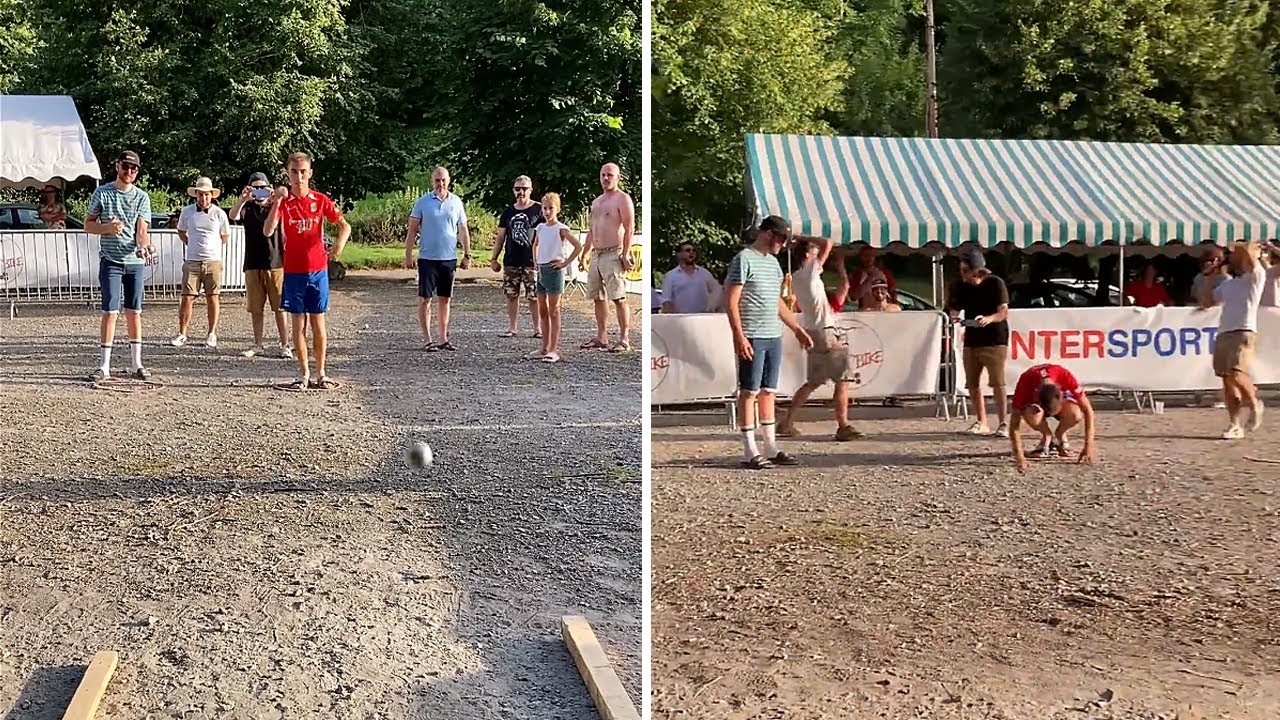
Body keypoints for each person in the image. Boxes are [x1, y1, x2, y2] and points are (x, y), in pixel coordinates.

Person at [725, 216, 814, 469]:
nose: (783, 245)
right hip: (752, 333)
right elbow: (731, 300)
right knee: (749, 391)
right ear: (767, 233)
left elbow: (777, 303)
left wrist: (797, 328)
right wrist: (740, 336)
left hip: (772, 334)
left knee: (768, 391)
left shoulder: (773, 264)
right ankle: (749, 449)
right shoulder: (743, 259)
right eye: (781, 238)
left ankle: (770, 445)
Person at [263, 151, 351, 390]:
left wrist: (338, 246)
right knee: (298, 323)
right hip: (294, 271)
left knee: (318, 322)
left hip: (318, 270)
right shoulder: (284, 202)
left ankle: (321, 372)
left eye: (303, 172)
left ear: (310, 173)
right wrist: (277, 201)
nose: (299, 177)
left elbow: (344, 226)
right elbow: (268, 230)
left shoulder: (320, 200)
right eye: (294, 172)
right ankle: (303, 373)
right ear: (288, 174)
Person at [777, 236, 862, 441]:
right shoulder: (810, 271)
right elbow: (827, 242)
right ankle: (843, 425)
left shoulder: (796, 276)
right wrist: (802, 237)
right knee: (843, 379)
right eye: (813, 251)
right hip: (826, 330)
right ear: (808, 254)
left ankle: (787, 422)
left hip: (812, 331)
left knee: (812, 382)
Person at [84, 150, 154, 381]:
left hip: (134, 262)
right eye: (126, 166)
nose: (129, 171)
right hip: (111, 261)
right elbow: (88, 225)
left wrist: (144, 246)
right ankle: (104, 366)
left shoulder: (142, 197)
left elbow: (142, 230)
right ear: (117, 166)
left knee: (134, 312)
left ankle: (137, 364)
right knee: (110, 312)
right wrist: (107, 228)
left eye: (134, 168)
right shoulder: (102, 193)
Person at [1197, 241, 1266, 438]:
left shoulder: (1255, 277)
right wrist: (1211, 276)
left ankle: (1254, 403)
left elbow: (1250, 255)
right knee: (1227, 380)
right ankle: (1235, 424)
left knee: (1236, 372)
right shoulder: (1228, 285)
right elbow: (1206, 303)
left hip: (1243, 330)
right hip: (1224, 331)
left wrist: (1235, 243)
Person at [404, 166, 472, 351]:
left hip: (448, 258)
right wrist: (408, 254)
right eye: (437, 180)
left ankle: (443, 338)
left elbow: (463, 229)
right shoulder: (422, 202)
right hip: (427, 258)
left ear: (448, 181)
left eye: (443, 180)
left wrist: (467, 254)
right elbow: (412, 229)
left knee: (445, 299)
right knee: (425, 299)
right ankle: (427, 339)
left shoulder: (456, 202)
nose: (440, 184)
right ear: (432, 181)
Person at [946, 249, 1011, 436]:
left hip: (995, 339)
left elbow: (1003, 312)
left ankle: (1003, 423)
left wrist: (989, 319)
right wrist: (954, 316)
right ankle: (981, 421)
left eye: (965, 270)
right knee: (972, 383)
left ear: (976, 269)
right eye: (961, 270)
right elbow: (954, 307)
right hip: (972, 339)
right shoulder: (961, 286)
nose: (962, 274)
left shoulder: (995, 283)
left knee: (997, 382)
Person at [230, 172, 292, 358]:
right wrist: (243, 199)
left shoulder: (277, 207)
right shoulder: (248, 208)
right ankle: (258, 344)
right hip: (252, 263)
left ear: (269, 187)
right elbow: (233, 215)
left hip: (275, 262)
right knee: (256, 308)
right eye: (255, 188)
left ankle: (285, 345)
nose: (259, 191)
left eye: (262, 188)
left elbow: (289, 209)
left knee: (280, 307)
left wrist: (276, 199)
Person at [579, 163, 635, 352]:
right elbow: (591, 229)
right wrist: (585, 253)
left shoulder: (623, 199)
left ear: (618, 178)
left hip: (613, 252)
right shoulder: (597, 202)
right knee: (597, 296)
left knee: (618, 297)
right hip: (597, 254)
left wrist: (625, 254)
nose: (605, 178)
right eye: (603, 174)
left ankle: (624, 339)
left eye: (610, 175)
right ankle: (602, 337)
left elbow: (629, 228)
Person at [171, 177, 230, 348]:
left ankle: (212, 333)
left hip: (213, 261)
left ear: (211, 195)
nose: (203, 198)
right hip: (192, 261)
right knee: (187, 297)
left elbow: (225, 236)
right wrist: (191, 243)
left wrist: (212, 248)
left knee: (213, 297)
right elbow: (181, 231)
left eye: (207, 194)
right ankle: (182, 333)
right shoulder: (187, 212)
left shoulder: (219, 213)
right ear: (196, 194)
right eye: (201, 194)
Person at [1008, 363, 1098, 473]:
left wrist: (1088, 446)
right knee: (1031, 413)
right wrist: (1020, 457)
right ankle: (1046, 435)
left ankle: (1060, 434)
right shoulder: (1026, 381)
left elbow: (1088, 411)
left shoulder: (1064, 375)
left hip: (1057, 401)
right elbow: (1014, 424)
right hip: (1037, 407)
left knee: (1075, 413)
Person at [530, 192, 583, 363]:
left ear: (557, 209)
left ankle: (553, 349)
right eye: (545, 208)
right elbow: (535, 244)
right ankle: (544, 347)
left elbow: (578, 246)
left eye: (551, 208)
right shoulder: (540, 227)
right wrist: (535, 261)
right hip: (542, 270)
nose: (547, 212)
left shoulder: (561, 228)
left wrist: (565, 262)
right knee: (542, 310)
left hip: (554, 271)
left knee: (554, 310)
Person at [491, 175, 542, 338]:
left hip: (532, 262)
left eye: (524, 189)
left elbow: (547, 233)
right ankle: (512, 327)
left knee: (534, 296)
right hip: (511, 261)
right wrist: (494, 258)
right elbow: (500, 237)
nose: (521, 192)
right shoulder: (508, 212)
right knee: (511, 295)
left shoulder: (539, 210)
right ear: (513, 191)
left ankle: (538, 329)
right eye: (517, 189)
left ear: (530, 190)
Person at [660, 242, 721, 313]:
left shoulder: (704, 273)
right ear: (679, 254)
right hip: (681, 318)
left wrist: (713, 307)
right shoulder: (670, 276)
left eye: (693, 250)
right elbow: (666, 300)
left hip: (703, 317)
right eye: (688, 250)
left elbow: (717, 290)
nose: (691, 252)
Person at [845, 245, 896, 310]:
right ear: (861, 257)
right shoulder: (857, 275)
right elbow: (853, 296)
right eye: (865, 256)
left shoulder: (885, 273)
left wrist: (894, 304)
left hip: (884, 310)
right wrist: (869, 280)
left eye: (871, 255)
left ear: (875, 256)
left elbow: (892, 291)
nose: (868, 258)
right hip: (866, 310)